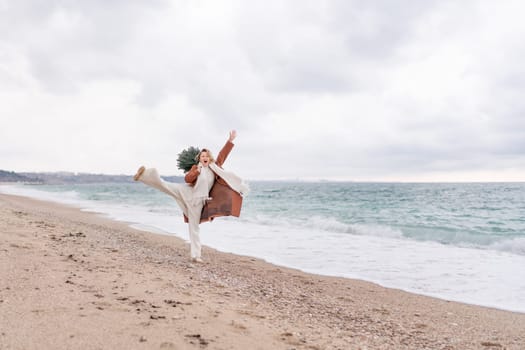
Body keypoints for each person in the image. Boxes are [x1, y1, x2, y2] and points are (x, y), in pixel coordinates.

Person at [133, 130, 248, 263]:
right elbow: (187, 179)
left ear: (209, 158)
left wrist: (230, 140)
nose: (204, 157)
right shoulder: (196, 168)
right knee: (166, 186)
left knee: (194, 227)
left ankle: (196, 255)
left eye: (206, 155)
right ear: (199, 158)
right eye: (202, 156)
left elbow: (223, 154)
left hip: (198, 202)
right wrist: (196, 173)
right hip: (187, 191)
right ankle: (144, 176)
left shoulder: (214, 167)